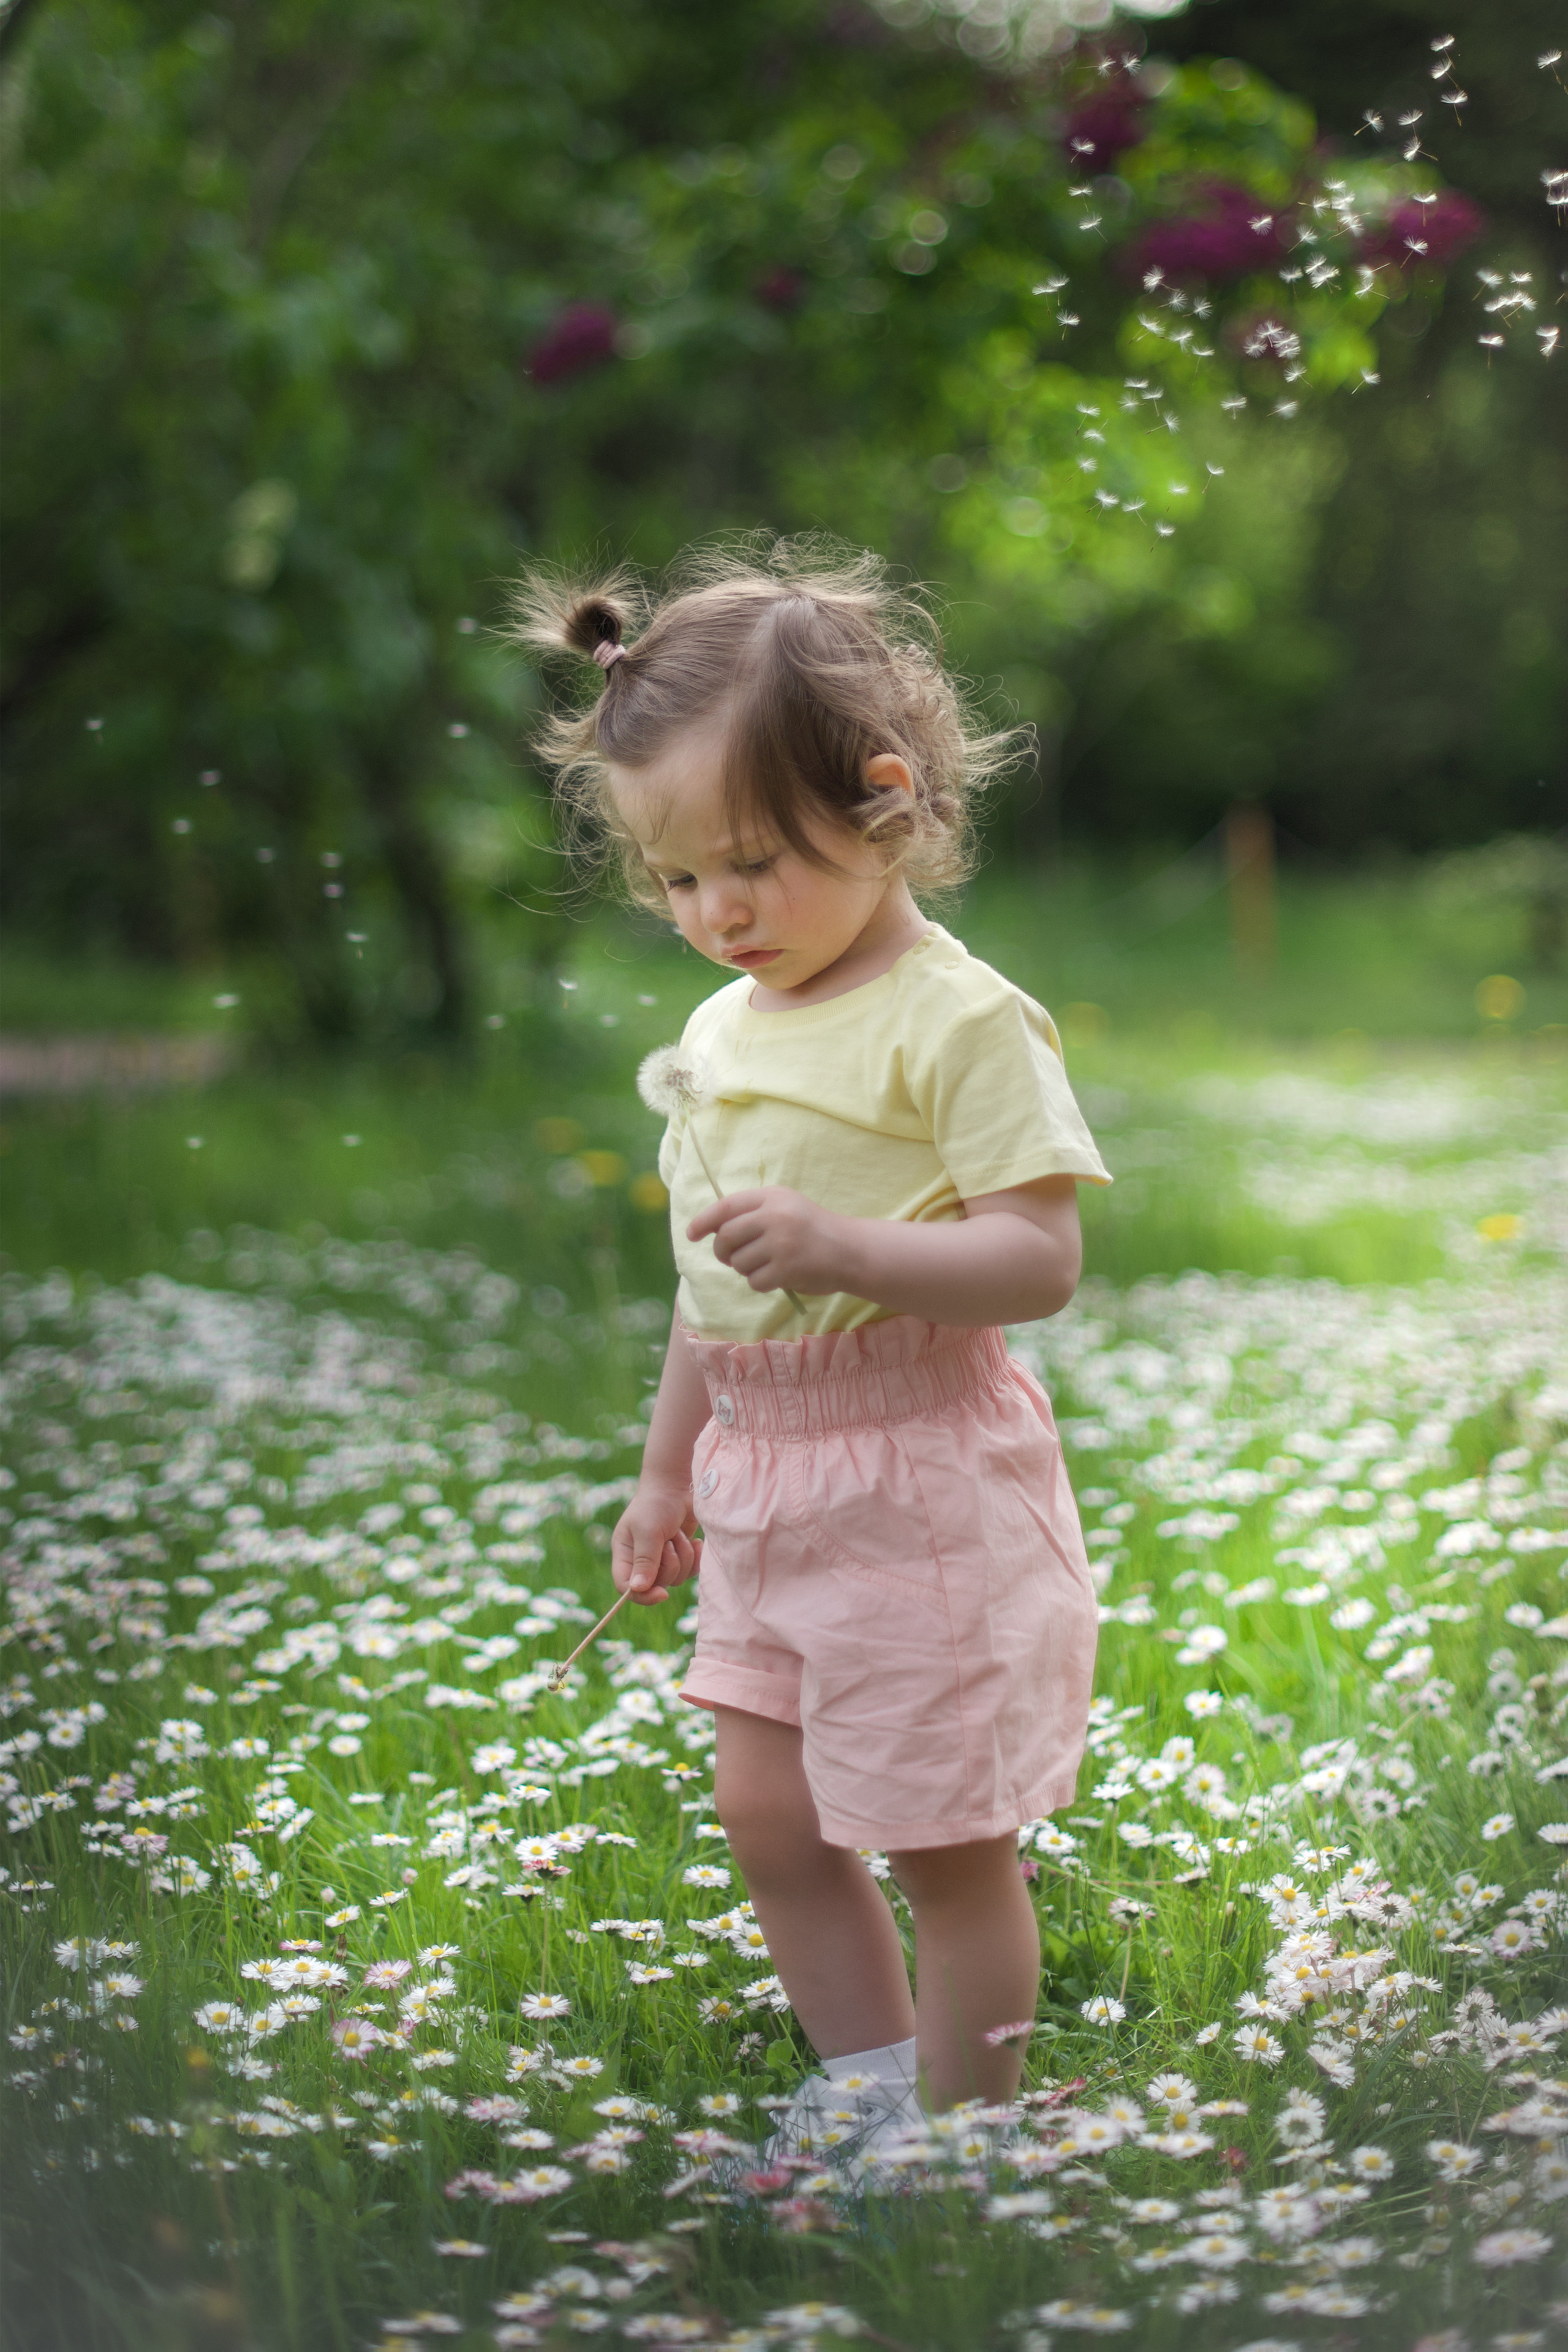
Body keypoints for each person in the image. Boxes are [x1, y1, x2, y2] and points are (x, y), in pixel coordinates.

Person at [514, 538, 1109, 2154]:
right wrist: (665, 1476)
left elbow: (1040, 1259)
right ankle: (868, 2096)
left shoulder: (960, 1020)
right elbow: (712, 1290)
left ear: (885, 803)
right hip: (761, 1478)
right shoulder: (719, 1029)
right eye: (676, 881)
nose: (715, 914)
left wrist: (851, 1248)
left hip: (919, 1485)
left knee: (943, 1843)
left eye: (752, 864)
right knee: (768, 1816)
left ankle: (960, 2142)